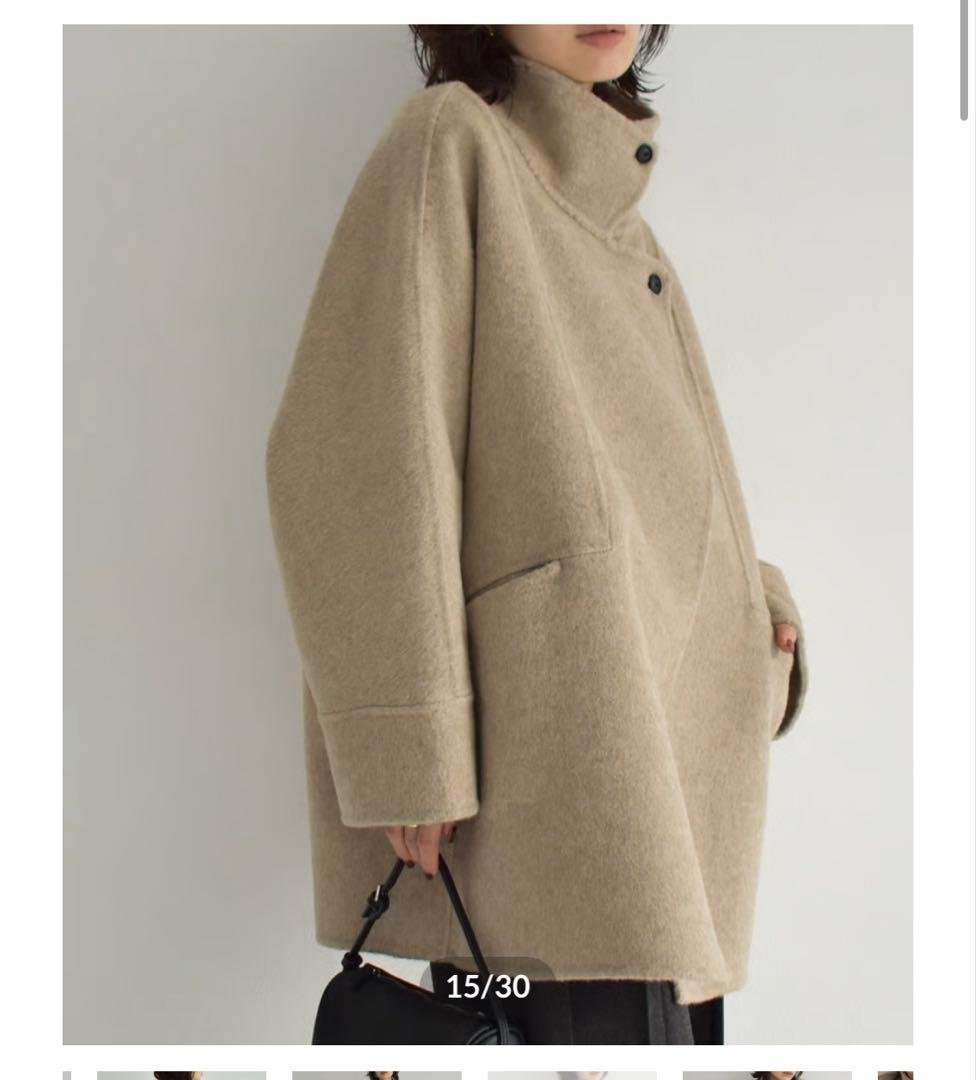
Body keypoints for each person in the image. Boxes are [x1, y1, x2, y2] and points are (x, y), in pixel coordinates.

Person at [266, 22, 808, 1046]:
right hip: (551, 777)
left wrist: (756, 605)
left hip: (666, 776)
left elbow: (655, 495)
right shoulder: (451, 143)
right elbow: (354, 456)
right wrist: (408, 747)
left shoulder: (626, 228)